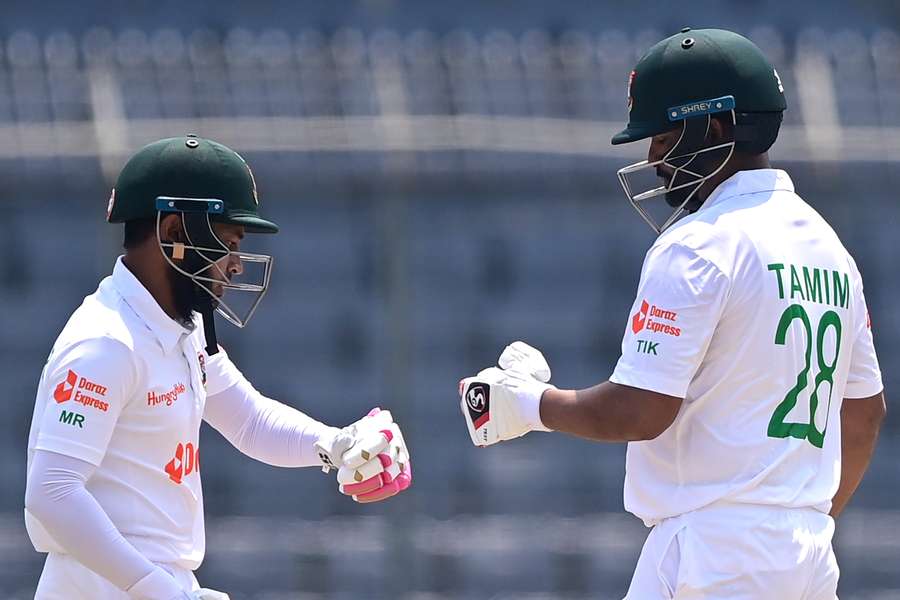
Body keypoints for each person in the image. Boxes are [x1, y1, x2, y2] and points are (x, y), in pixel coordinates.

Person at [459, 28, 885, 599]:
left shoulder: (699, 243)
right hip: (808, 551)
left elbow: (641, 410)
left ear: (713, 127)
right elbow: (864, 414)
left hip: (711, 553)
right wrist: (795, 519)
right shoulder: (831, 249)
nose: (655, 161)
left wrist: (525, 404)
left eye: (660, 137)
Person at [24, 135, 412, 600]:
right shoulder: (107, 343)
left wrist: (336, 444)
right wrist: (162, 592)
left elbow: (251, 421)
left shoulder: (177, 333)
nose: (234, 266)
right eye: (227, 242)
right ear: (171, 232)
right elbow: (51, 495)